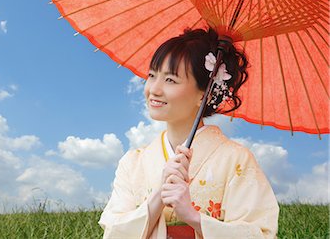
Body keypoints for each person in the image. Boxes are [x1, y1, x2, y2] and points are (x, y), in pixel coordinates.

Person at [98, 28, 279, 239]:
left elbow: (261, 234)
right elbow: (113, 232)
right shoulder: (132, 162)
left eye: (170, 80)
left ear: (204, 95)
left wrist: (194, 217)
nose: (154, 89)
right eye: (152, 75)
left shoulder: (236, 160)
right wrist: (158, 198)